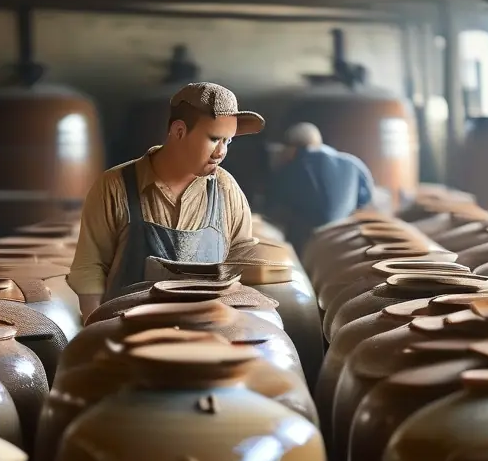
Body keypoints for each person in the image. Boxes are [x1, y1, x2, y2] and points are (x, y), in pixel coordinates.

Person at [67, 82, 264, 319]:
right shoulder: (115, 185)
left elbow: (242, 255)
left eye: (228, 141)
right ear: (179, 131)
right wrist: (95, 325)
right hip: (129, 327)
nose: (221, 152)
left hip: (207, 328)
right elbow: (90, 266)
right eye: (214, 139)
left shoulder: (226, 187)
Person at [266, 122, 376, 253]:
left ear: (292, 147)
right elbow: (365, 199)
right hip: (346, 233)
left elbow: (276, 205)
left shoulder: (292, 168)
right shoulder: (353, 162)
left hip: (308, 241)